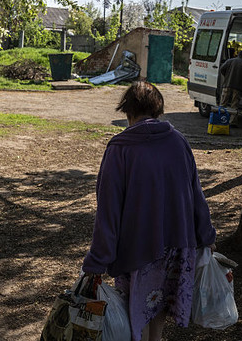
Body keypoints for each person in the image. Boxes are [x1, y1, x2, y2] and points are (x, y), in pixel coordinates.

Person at [82, 81, 217, 341]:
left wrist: (98, 259)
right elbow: (196, 196)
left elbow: (108, 211)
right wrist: (206, 236)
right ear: (158, 110)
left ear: (128, 111)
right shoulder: (178, 142)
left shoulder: (120, 149)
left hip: (137, 251)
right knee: (157, 313)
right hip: (177, 249)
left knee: (136, 317)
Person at [218, 50, 242, 127]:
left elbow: (222, 69)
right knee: (234, 105)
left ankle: (220, 119)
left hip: (227, 85)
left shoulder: (229, 61)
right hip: (238, 87)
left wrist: (226, 76)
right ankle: (232, 121)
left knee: (223, 103)